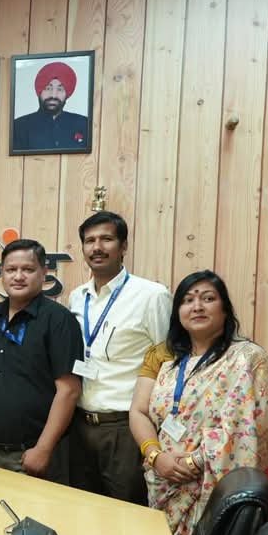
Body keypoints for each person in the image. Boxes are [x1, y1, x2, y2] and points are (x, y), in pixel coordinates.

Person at [131, 271, 268, 535]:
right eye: (188, 300)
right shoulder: (169, 364)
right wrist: (157, 458)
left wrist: (191, 463)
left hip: (215, 488)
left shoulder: (247, 359)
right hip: (164, 483)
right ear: (178, 313)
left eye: (208, 298)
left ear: (225, 310)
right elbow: (141, 412)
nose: (197, 306)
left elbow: (246, 431)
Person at [67, 211, 171, 504]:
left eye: (106, 239)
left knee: (127, 513)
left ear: (123, 246)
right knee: (82, 511)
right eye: (90, 241)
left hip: (126, 429)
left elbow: (169, 364)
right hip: (80, 425)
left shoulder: (151, 295)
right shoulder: (77, 297)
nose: (97, 247)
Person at [0, 239, 82, 482]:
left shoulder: (59, 320)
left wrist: (43, 449)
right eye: (11, 269)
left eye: (28, 269)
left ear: (44, 272)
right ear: (1, 272)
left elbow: (69, 391)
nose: (18, 276)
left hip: (33, 454)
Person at [12, 61, 90, 152]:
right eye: (48, 88)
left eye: (60, 89)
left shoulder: (84, 124)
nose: (53, 95)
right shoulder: (19, 126)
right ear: (39, 91)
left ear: (67, 94)